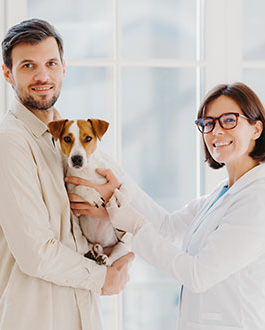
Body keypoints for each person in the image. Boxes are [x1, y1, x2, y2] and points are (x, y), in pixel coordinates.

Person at [0, 18, 134, 330]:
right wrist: (104, 277)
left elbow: (124, 201)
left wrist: (111, 213)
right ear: (7, 73)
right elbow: (35, 252)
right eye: (27, 66)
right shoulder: (8, 144)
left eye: (50, 63)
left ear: (64, 68)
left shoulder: (70, 140)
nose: (42, 76)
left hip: (80, 315)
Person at [66, 82, 265, 329]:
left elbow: (198, 275)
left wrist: (133, 222)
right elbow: (166, 227)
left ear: (256, 129)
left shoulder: (258, 198)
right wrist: (116, 186)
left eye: (228, 120)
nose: (216, 131)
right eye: (208, 123)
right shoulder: (223, 194)